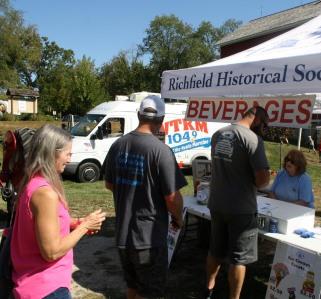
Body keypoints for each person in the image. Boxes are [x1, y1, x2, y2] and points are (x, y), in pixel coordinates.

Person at [103, 94, 187, 299]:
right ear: (161, 120)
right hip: (148, 239)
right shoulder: (161, 151)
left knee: (133, 288)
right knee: (151, 293)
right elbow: (172, 198)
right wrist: (178, 218)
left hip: (124, 236)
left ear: (139, 115)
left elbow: (109, 184)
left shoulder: (118, 145)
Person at [10, 124, 106, 299]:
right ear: (52, 153)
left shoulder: (31, 182)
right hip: (46, 288)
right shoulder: (45, 193)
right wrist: (85, 226)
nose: (69, 159)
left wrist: (74, 221)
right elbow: (51, 252)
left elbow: (42, 221)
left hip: (36, 284)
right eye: (67, 153)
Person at [204, 106, 271, 299]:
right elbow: (262, 180)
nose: (264, 129)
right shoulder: (252, 139)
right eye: (264, 124)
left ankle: (208, 290)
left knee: (215, 251)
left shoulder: (218, 134)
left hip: (217, 202)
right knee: (238, 258)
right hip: (241, 208)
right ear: (257, 119)